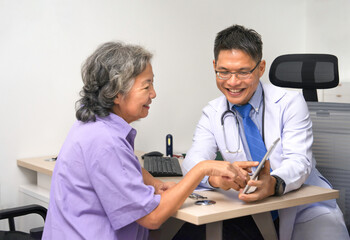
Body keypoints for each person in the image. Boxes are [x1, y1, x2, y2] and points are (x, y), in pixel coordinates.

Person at [42, 41, 259, 240]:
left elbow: (123, 170)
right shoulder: (105, 143)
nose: (153, 94)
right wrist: (203, 169)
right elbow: (152, 217)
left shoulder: (93, 125)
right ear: (116, 93)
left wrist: (154, 184)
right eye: (146, 87)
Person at [181, 25, 349, 240]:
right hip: (252, 209)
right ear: (214, 66)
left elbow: (299, 162)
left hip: (305, 205)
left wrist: (274, 183)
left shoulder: (290, 103)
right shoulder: (213, 112)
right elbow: (192, 162)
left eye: (243, 72)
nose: (232, 82)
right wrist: (215, 179)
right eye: (223, 72)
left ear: (260, 68)